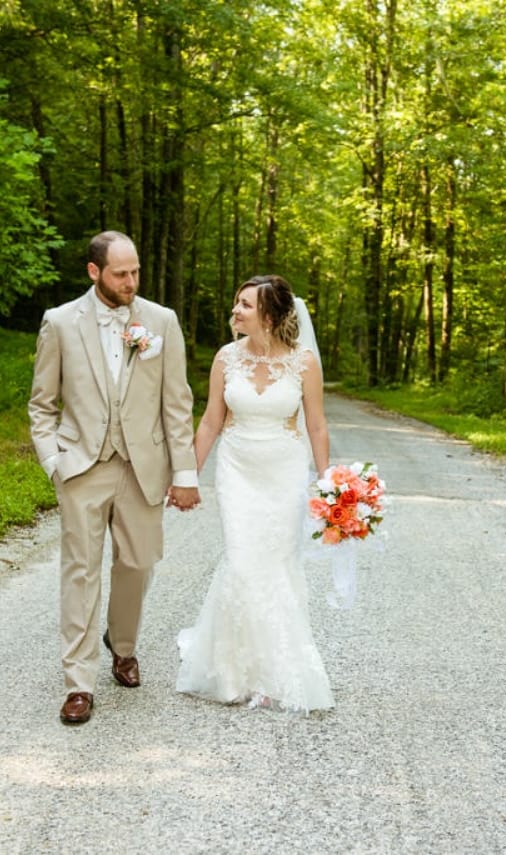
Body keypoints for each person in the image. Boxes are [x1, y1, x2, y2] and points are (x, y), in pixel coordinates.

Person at [29, 230, 200, 725]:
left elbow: (177, 404)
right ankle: (78, 682)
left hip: (143, 467)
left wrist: (184, 473)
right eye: (121, 273)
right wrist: (52, 462)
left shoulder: (161, 321)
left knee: (138, 563)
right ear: (94, 272)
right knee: (80, 571)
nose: (131, 282)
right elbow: (42, 405)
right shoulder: (59, 323)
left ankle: (122, 643)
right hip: (81, 466)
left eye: (136, 272)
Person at [176, 275, 334, 713]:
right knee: (243, 561)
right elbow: (210, 421)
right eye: (236, 303)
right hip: (237, 469)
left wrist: (328, 485)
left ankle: (273, 673)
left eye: (244, 305)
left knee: (276, 563)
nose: (235, 311)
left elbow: (317, 425)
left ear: (268, 314)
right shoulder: (226, 358)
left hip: (284, 471)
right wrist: (186, 475)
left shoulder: (304, 363)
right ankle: (233, 671)